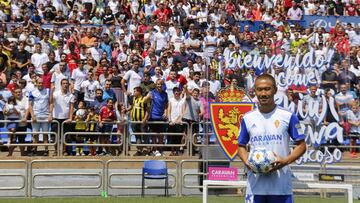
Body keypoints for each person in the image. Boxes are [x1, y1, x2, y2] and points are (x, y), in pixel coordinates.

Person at [237, 74, 306, 203]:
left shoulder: (288, 116)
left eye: (267, 89)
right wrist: (248, 163)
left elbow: (302, 145)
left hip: (281, 188)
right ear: (255, 91)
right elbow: (241, 146)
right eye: (259, 89)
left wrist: (284, 161)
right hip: (255, 188)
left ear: (274, 90)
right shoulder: (247, 118)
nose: (263, 93)